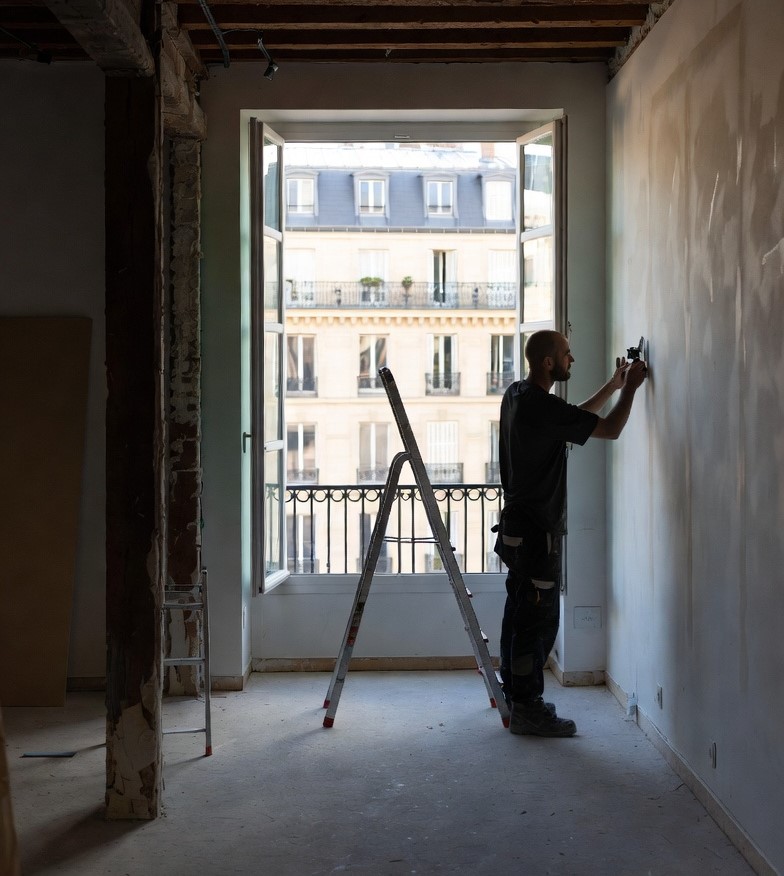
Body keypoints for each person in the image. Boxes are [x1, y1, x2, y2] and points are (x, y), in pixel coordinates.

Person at [494, 330, 647, 737]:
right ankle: (527, 708)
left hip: (516, 528)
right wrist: (630, 390)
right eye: (566, 354)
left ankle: (514, 694)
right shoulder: (541, 407)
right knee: (537, 620)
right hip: (537, 530)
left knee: (519, 610)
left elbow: (571, 419)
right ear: (548, 362)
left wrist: (612, 386)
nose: (572, 359)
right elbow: (610, 429)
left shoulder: (518, 395)